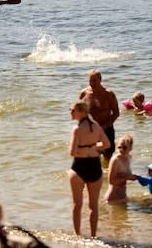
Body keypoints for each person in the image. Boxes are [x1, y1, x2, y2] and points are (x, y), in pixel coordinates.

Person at [68, 100, 110, 237]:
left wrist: (83, 147)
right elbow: (107, 144)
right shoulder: (96, 126)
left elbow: (72, 152)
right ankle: (93, 236)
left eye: (73, 110)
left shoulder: (77, 129)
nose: (70, 112)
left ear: (81, 111)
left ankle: (78, 235)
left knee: (77, 204)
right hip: (95, 166)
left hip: (79, 166)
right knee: (94, 206)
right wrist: (93, 146)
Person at [79, 69, 119, 163]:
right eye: (90, 81)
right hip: (90, 129)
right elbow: (80, 112)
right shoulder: (84, 94)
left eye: (94, 81)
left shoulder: (108, 94)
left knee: (108, 155)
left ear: (100, 80)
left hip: (106, 128)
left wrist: (104, 127)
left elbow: (116, 113)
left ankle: (107, 174)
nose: (92, 83)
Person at [104, 134, 135, 204]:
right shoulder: (115, 160)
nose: (121, 150)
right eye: (119, 147)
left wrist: (134, 177)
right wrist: (127, 177)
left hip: (123, 197)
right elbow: (111, 181)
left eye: (124, 147)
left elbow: (126, 175)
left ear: (131, 148)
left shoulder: (129, 157)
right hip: (112, 199)